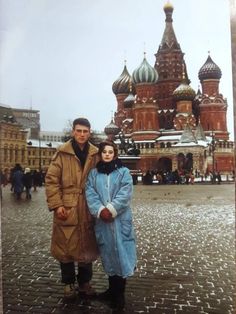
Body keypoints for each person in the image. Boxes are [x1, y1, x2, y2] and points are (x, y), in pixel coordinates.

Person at [45, 117, 100, 299]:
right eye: (79, 131)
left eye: (85, 131)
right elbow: (52, 180)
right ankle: (68, 283)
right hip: (67, 206)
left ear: (89, 133)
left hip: (88, 205)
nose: (82, 135)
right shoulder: (62, 153)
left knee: (87, 246)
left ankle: (84, 282)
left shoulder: (95, 153)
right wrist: (57, 204)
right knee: (66, 246)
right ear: (73, 132)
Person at [85, 140, 137, 310]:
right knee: (108, 255)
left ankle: (119, 294)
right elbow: (90, 193)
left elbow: (125, 193)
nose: (107, 154)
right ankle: (111, 290)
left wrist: (112, 209)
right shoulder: (94, 174)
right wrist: (100, 210)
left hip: (120, 221)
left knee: (121, 256)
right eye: (104, 152)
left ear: (115, 153)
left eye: (110, 152)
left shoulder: (123, 172)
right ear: (100, 154)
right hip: (103, 222)